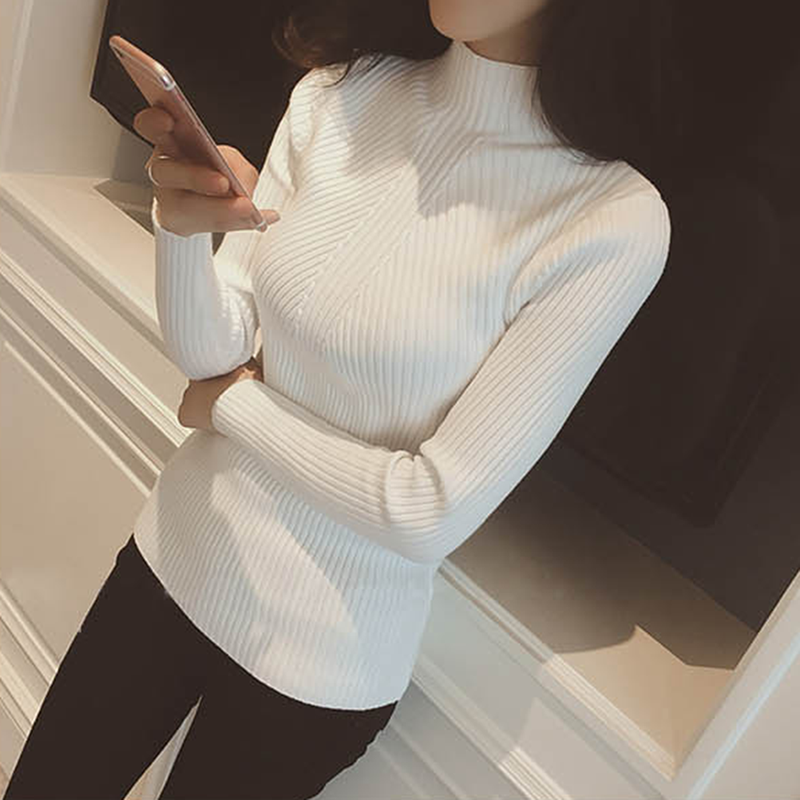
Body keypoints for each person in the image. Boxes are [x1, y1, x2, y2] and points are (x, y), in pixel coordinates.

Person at [4, 0, 674, 797]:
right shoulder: (341, 92)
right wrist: (182, 230)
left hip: (317, 664)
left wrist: (230, 409)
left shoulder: (611, 219)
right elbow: (213, 353)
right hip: (175, 552)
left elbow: (428, 509)